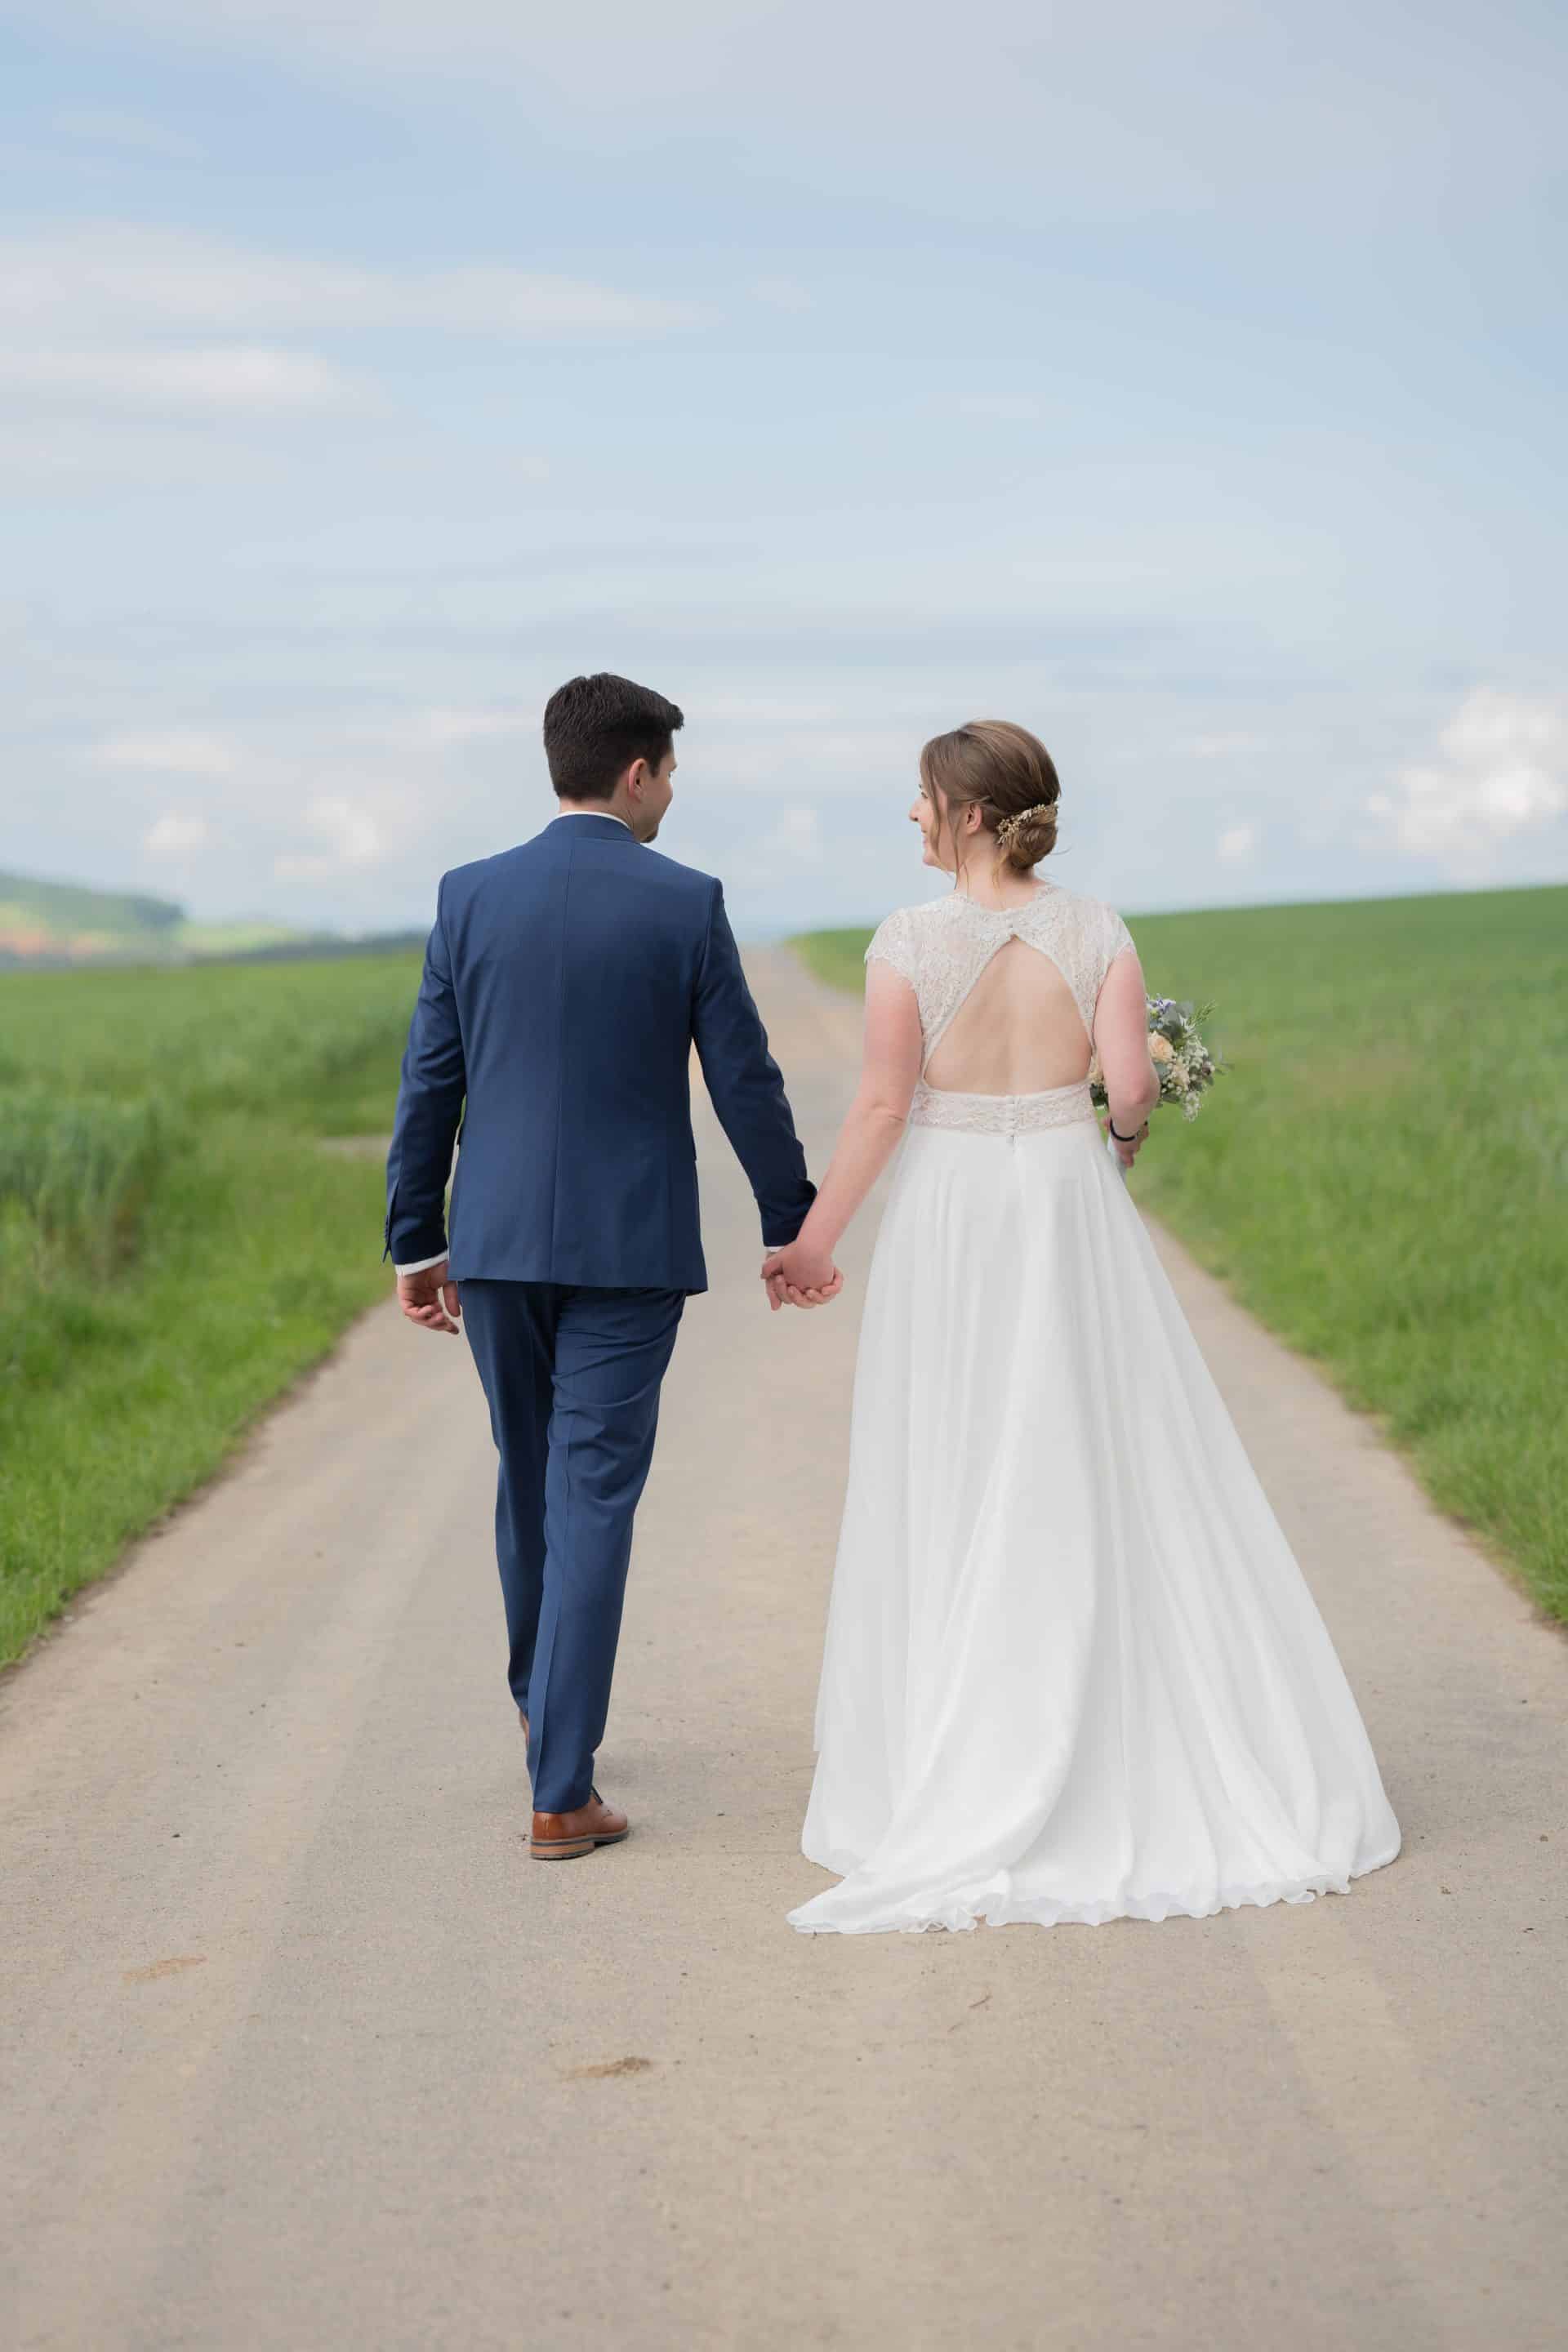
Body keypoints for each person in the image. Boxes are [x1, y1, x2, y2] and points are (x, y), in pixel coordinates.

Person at [765, 719, 1401, 1934]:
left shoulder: (906, 942)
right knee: (1095, 1448)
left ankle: (950, 1752)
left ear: (963, 812)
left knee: (953, 1458)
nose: (909, 814)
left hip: (953, 1217)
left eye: (918, 797)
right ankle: (1132, 1730)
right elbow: (1134, 1083)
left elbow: (885, 1107)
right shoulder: (1096, 926)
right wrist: (1114, 1142)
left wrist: (813, 1244)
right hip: (1063, 1204)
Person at [385, 672, 827, 1860]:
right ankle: (559, 1788)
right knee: (590, 1491)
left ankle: (550, 1721)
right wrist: (793, 1219)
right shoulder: (685, 903)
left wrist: (414, 1241)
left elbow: (433, 1077)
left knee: (530, 1475)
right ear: (637, 771)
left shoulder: (470, 896)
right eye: (669, 772)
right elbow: (746, 1077)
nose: (672, 793)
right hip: (627, 1254)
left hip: (496, 1244)